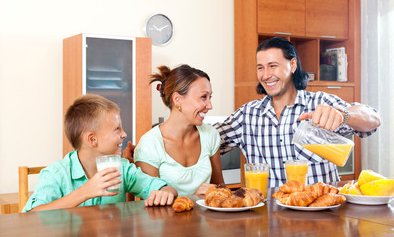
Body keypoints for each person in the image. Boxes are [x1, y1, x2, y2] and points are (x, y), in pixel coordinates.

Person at [215, 37, 381, 187]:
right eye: (260, 68)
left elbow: (373, 119)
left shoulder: (320, 103)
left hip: (321, 216)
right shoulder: (246, 116)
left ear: (292, 65)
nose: (266, 75)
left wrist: (343, 114)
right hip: (268, 216)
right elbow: (206, 142)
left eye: (273, 66)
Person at [23, 94, 177, 212]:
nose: (124, 134)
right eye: (117, 129)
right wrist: (85, 192)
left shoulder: (122, 168)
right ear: (92, 139)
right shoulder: (56, 174)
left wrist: (165, 192)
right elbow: (30, 216)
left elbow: (162, 187)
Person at [131, 64, 224, 196]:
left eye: (210, 97)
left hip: (206, 217)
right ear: (177, 99)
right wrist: (194, 199)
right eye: (203, 97)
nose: (210, 105)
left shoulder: (210, 135)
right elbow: (151, 207)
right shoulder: (150, 144)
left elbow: (220, 188)